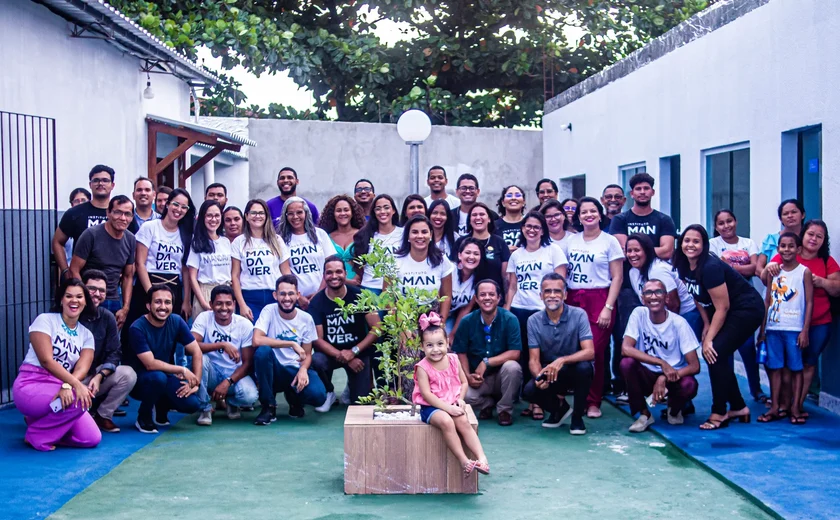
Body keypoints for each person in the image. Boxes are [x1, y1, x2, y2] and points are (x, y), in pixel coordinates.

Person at [673, 224, 765, 430]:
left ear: (704, 245)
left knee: (713, 351)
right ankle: (739, 407)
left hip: (746, 310)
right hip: (722, 310)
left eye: (696, 241)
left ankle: (720, 411)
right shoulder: (682, 264)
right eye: (687, 240)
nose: (691, 245)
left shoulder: (710, 267)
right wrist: (706, 324)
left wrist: (708, 340)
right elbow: (696, 295)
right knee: (717, 354)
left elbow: (723, 307)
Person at [12, 278, 100, 451]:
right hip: (31, 383)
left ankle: (40, 421)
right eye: (68, 296)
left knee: (91, 438)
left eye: (79, 297)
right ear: (61, 300)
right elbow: (46, 360)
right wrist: (74, 385)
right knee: (78, 397)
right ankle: (36, 435)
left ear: (85, 302)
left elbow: (82, 368)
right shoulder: (45, 320)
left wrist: (67, 385)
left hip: (61, 385)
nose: (74, 300)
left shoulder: (86, 334)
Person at [763, 220, 840, 416]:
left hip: (818, 322)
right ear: (802, 236)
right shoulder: (785, 255)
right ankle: (784, 403)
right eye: (810, 234)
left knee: (808, 362)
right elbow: (766, 281)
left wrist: (821, 281)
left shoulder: (827, 262)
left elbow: (837, 289)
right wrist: (770, 266)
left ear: (824, 241)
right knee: (788, 363)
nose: (814, 239)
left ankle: (798, 403)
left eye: (819, 236)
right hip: (786, 323)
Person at [563, 197, 624, 418]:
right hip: (573, 298)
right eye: (583, 212)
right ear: (578, 217)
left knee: (594, 352)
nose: (588, 215)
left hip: (600, 298)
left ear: (600, 214)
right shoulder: (571, 240)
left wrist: (608, 306)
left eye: (592, 211)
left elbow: (617, 277)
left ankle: (593, 401)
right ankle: (569, 398)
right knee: (571, 349)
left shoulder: (610, 241)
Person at [504, 211, 568, 420]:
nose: (532, 230)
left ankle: (544, 399)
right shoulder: (517, 255)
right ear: (522, 229)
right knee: (524, 357)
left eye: (536, 227)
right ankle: (532, 402)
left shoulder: (553, 251)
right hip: (520, 310)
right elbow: (512, 286)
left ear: (543, 230)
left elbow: (560, 284)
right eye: (528, 226)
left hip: (544, 311)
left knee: (545, 355)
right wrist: (507, 309)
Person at [413, 313, 490, 476]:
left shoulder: (454, 359)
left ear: (447, 343)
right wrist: (448, 408)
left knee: (463, 421)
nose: (435, 350)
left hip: (452, 403)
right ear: (422, 347)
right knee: (447, 421)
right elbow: (426, 395)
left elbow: (463, 382)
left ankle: (482, 459)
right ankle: (464, 461)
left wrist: (460, 400)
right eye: (429, 345)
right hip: (432, 407)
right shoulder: (422, 367)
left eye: (440, 344)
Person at [620, 279, 701, 432]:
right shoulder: (638, 314)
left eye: (658, 292)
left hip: (673, 375)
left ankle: (674, 409)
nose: (653, 296)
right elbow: (626, 349)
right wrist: (661, 363)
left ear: (667, 298)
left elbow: (695, 365)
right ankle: (644, 415)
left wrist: (664, 376)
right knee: (626, 364)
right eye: (648, 293)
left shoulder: (679, 323)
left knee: (689, 385)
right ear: (643, 299)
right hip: (647, 373)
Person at [126, 284, 203, 434]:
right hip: (139, 380)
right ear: (148, 305)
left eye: (167, 302)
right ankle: (144, 416)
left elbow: (196, 351)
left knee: (192, 404)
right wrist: (181, 369)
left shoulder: (176, 321)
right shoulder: (137, 327)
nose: (163, 307)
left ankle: (162, 407)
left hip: (164, 375)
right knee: (158, 378)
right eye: (158, 302)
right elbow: (150, 364)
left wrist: (196, 382)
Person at [523, 273, 594, 434]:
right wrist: (538, 376)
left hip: (574, 369)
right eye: (548, 291)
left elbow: (590, 352)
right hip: (551, 372)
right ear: (541, 296)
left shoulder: (579, 314)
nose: (552, 295)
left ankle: (577, 418)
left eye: (557, 291)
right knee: (529, 390)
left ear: (565, 295)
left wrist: (562, 360)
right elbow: (533, 359)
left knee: (585, 368)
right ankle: (559, 410)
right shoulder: (533, 320)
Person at [252, 275, 327, 424]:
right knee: (262, 352)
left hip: (294, 369)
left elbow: (307, 353)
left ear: (298, 295)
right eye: (283, 294)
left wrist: (303, 369)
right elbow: (257, 340)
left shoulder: (306, 318)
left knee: (319, 396)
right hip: (275, 369)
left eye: (291, 293)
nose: (287, 298)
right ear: (275, 295)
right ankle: (268, 407)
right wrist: (291, 344)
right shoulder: (269, 310)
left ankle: (294, 398)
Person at [310, 256, 381, 409]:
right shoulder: (316, 302)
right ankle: (328, 391)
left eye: (338, 272)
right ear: (324, 276)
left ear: (345, 274)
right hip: (330, 355)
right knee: (316, 360)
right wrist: (345, 357)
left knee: (359, 403)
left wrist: (354, 352)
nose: (334, 276)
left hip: (358, 353)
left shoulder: (361, 295)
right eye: (329, 273)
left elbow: (377, 328)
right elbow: (317, 339)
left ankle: (352, 386)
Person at [757, 232, 812, 425]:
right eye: (782, 246)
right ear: (778, 249)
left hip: (794, 328)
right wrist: (762, 331)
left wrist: (805, 330)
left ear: (798, 250)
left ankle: (795, 407)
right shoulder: (774, 271)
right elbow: (767, 301)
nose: (786, 250)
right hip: (773, 328)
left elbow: (809, 302)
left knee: (796, 368)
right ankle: (774, 407)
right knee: (775, 368)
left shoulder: (804, 272)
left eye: (790, 246)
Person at [709, 209, 764, 402]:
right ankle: (728, 392)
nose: (726, 226)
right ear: (716, 227)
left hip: (744, 301)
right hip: (722, 301)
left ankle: (756, 390)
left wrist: (728, 267)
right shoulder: (712, 244)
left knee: (748, 347)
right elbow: (717, 271)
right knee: (725, 349)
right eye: (721, 223)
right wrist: (741, 268)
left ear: (736, 221)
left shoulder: (749, 243)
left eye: (729, 221)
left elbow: (754, 269)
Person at [454, 279, 522, 426]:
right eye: (482, 295)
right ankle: (487, 404)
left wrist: (487, 362)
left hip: (502, 376)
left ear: (499, 298)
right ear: (476, 299)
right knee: (462, 395)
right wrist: (467, 376)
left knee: (513, 367)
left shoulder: (510, 319)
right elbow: (461, 352)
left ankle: (504, 410)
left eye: (491, 294)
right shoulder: (467, 321)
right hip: (479, 379)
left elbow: (515, 352)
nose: (487, 298)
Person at [53, 165, 138, 278]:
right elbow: (57, 242)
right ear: (90, 184)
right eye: (96, 180)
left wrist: (125, 274)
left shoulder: (124, 215)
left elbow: (134, 248)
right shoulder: (74, 213)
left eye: (105, 180)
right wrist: (65, 270)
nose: (100, 183)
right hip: (81, 279)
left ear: (112, 185)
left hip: (113, 284)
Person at [80, 270, 137, 433]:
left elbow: (115, 353)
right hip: (66, 381)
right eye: (92, 289)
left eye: (102, 291)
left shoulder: (107, 317)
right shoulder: (66, 314)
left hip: (92, 377)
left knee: (128, 373)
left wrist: (100, 376)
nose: (97, 294)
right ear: (82, 288)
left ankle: (103, 415)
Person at [192, 286, 259, 426]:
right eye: (219, 303)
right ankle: (205, 408)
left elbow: (248, 363)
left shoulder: (244, 324)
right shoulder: (204, 318)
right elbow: (191, 346)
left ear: (234, 304)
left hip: (233, 374)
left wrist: (227, 382)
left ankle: (231, 402)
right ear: (211, 305)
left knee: (250, 396)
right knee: (201, 358)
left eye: (228, 303)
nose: (224, 308)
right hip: (211, 372)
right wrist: (221, 345)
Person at [68, 195, 136, 324]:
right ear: (108, 213)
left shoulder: (131, 239)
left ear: (132, 217)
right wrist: (84, 298)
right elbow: (74, 269)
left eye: (127, 214)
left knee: (111, 342)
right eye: (117, 212)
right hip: (90, 298)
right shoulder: (91, 234)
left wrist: (125, 308)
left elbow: (128, 276)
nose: (122, 218)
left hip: (114, 300)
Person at [132, 188, 195, 323]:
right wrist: (152, 294)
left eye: (184, 207)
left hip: (173, 287)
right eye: (176, 204)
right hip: (148, 283)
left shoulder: (187, 234)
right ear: (168, 204)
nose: (179, 209)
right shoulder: (150, 227)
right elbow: (140, 263)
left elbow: (185, 269)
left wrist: (186, 300)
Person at [626, 234, 700, 332]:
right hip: (661, 316)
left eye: (637, 250)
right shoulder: (633, 272)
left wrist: (668, 330)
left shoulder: (658, 270)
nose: (632, 254)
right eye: (629, 251)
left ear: (647, 251)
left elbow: (674, 304)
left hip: (686, 313)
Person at [231, 199, 291, 322]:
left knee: (275, 336)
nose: (257, 216)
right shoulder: (239, 241)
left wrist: (289, 295)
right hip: (249, 297)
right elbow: (235, 276)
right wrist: (242, 305)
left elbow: (286, 272)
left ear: (266, 216)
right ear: (246, 216)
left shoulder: (277, 240)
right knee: (254, 338)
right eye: (253, 213)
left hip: (274, 296)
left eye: (261, 213)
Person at [389, 215, 454, 321]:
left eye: (424, 232)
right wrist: (400, 327)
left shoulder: (442, 260)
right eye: (414, 232)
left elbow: (446, 296)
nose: (420, 236)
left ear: (431, 235)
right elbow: (388, 299)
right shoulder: (394, 261)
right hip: (403, 318)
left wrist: (441, 322)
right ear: (408, 236)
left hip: (433, 317)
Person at [277, 196, 337, 309]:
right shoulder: (280, 240)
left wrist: (319, 293)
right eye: (290, 213)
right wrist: (297, 296)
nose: (295, 217)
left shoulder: (320, 234)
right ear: (285, 216)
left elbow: (330, 265)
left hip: (325, 295)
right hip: (296, 301)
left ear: (306, 213)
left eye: (299, 212)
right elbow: (284, 272)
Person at [609, 173, 676, 258]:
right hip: (628, 270)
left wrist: (636, 252)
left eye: (646, 188)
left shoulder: (664, 220)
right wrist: (655, 251)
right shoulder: (619, 220)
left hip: (657, 270)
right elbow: (625, 252)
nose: (642, 192)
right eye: (638, 189)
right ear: (632, 193)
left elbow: (667, 252)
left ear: (653, 192)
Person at [456, 202, 510, 301]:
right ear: (469, 220)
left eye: (482, 214)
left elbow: (505, 276)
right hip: (464, 300)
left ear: (489, 219)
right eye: (474, 215)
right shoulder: (461, 242)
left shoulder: (499, 242)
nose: (478, 217)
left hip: (493, 300)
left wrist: (507, 303)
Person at [187, 200, 232, 319]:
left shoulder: (226, 242)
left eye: (217, 215)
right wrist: (203, 302)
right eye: (209, 215)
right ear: (202, 218)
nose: (213, 219)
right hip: (205, 291)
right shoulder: (196, 242)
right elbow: (192, 276)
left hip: (226, 291)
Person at [354, 194, 403, 294]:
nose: (382, 212)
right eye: (378, 209)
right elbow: (359, 262)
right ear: (374, 212)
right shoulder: (365, 235)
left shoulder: (404, 233)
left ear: (393, 210)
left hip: (397, 287)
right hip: (371, 287)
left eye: (386, 208)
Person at [319, 194, 365, 284]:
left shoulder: (362, 235)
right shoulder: (326, 237)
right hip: (333, 286)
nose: (343, 213)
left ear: (352, 213)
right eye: (338, 211)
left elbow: (366, 263)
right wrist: (347, 281)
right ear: (333, 214)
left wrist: (355, 280)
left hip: (359, 287)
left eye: (346, 210)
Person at [757, 199, 806, 276]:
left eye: (794, 212)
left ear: (803, 215)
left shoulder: (808, 239)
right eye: (785, 214)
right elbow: (758, 269)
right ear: (780, 219)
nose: (790, 216)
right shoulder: (771, 239)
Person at [447, 238, 484, 341]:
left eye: (476, 254)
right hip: (433, 313)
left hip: (451, 316)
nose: (471, 257)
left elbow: (465, 309)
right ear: (459, 255)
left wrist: (452, 334)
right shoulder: (450, 270)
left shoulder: (478, 280)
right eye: (467, 252)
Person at [452, 174, 498, 238]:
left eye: (471, 188)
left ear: (478, 191)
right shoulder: (449, 216)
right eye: (463, 188)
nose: (467, 191)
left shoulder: (491, 215)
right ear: (457, 192)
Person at [63, 188, 91, 268]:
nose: (80, 203)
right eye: (76, 201)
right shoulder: (67, 221)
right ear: (72, 204)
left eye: (83, 200)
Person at [494, 185, 527, 252]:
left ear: (524, 202)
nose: (513, 198)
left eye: (518, 195)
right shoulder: (494, 226)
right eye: (509, 195)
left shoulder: (530, 224)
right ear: (503, 202)